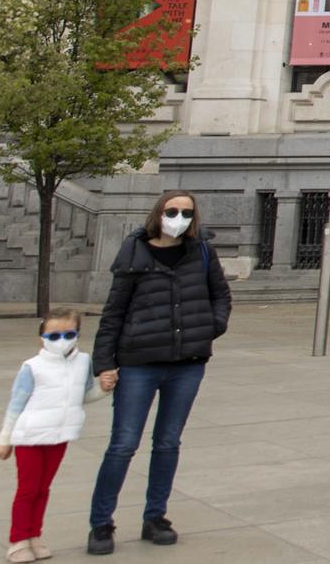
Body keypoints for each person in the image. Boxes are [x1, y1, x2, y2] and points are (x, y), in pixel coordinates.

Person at [87, 189, 231, 556]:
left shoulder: (200, 251)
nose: (179, 217)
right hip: (139, 364)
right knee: (123, 445)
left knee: (168, 442)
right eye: (172, 210)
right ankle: (101, 523)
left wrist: (209, 327)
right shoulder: (136, 251)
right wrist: (104, 363)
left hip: (186, 365)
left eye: (186, 212)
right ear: (159, 212)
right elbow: (113, 312)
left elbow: (221, 296)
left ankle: (156, 517)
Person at [0, 309, 105, 564]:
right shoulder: (32, 367)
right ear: (42, 337)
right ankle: (18, 540)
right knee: (28, 490)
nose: (62, 339)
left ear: (78, 334)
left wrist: (104, 387)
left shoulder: (83, 362)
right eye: (54, 334)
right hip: (30, 438)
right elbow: (15, 405)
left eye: (69, 333)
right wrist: (4, 440)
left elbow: (84, 395)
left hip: (59, 436)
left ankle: (34, 535)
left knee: (43, 489)